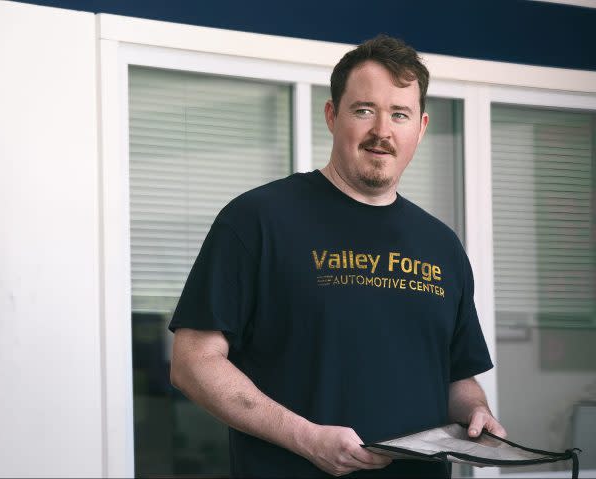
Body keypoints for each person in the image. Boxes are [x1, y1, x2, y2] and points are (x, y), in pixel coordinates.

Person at [168, 34, 506, 478]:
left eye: (399, 114)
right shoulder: (257, 220)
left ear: (420, 128)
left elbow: (455, 378)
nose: (382, 132)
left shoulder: (442, 246)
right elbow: (194, 362)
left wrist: (477, 412)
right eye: (364, 110)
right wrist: (306, 438)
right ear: (332, 115)